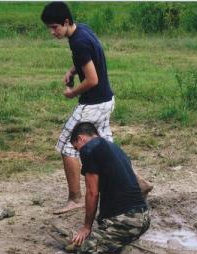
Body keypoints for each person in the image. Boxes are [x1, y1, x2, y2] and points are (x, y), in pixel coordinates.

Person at [40, 2, 152, 215]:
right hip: (106, 100)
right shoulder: (82, 30)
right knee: (107, 148)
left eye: (54, 27)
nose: (52, 32)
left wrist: (72, 93)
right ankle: (139, 183)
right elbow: (93, 56)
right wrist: (73, 70)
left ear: (66, 22)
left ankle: (75, 199)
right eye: (49, 27)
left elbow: (92, 79)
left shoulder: (78, 42)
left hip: (93, 103)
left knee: (67, 146)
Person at [61, 122, 158, 254]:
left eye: (77, 149)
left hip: (125, 221)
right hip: (143, 217)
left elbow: (92, 192)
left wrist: (86, 227)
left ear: (81, 138)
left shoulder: (89, 149)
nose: (79, 153)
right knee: (102, 245)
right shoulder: (115, 148)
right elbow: (141, 185)